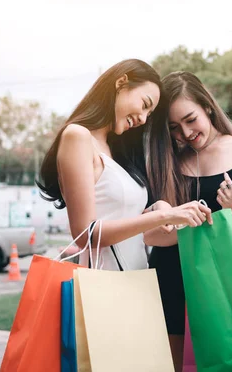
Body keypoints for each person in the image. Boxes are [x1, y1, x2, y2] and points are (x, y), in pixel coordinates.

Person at [144, 71, 232, 370]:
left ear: (208, 108)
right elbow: (151, 235)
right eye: (174, 127)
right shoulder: (169, 161)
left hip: (227, 278)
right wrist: (186, 223)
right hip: (172, 277)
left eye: (191, 119)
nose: (185, 133)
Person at [37, 59, 212, 272]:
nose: (143, 118)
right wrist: (163, 216)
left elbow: (120, 217)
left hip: (137, 280)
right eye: (145, 105)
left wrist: (156, 208)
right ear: (121, 83)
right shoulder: (78, 137)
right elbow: (86, 234)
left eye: (149, 114)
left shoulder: (117, 150)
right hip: (105, 285)